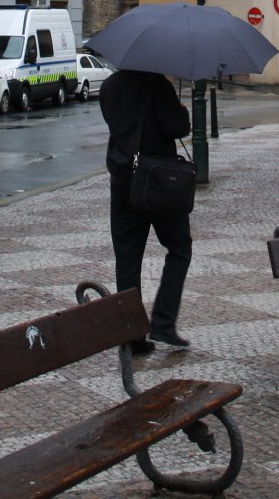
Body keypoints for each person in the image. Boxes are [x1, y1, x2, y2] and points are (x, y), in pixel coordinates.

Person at [99, 68, 194, 354]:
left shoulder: (110, 86)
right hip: (157, 180)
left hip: (122, 180)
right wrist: (179, 109)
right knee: (179, 248)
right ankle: (163, 322)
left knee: (127, 258)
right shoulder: (157, 85)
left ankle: (132, 335)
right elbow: (178, 127)